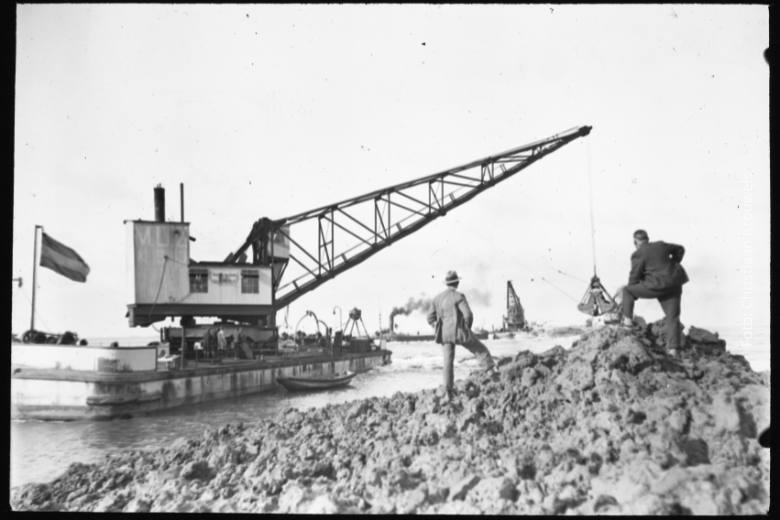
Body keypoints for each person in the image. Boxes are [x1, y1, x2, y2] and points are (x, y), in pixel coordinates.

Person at [427, 270, 496, 399]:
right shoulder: (459, 296)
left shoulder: (437, 298)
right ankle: (491, 372)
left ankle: (448, 391)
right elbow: (468, 315)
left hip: (444, 335)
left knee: (448, 362)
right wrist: (467, 328)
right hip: (459, 332)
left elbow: (429, 318)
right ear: (457, 282)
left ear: (447, 284)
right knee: (479, 349)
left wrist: (437, 327)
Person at [620, 229, 688, 355]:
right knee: (672, 317)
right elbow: (680, 249)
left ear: (635, 242)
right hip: (674, 283)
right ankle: (673, 349)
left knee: (627, 291)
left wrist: (631, 295)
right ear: (647, 239)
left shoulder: (638, 253)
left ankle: (628, 323)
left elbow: (634, 277)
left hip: (656, 286)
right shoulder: (661, 245)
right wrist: (673, 263)